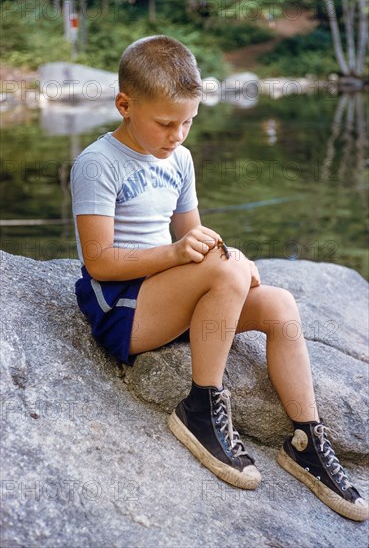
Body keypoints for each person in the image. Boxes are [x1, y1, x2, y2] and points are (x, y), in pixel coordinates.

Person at [70, 35, 368, 522]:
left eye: (188, 122)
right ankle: (201, 409)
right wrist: (186, 256)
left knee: (280, 305)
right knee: (226, 269)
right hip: (123, 310)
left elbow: (193, 234)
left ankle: (306, 441)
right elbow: (100, 262)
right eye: (166, 123)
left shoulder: (180, 159)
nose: (178, 135)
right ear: (124, 104)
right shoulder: (97, 164)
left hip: (171, 298)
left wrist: (230, 257)